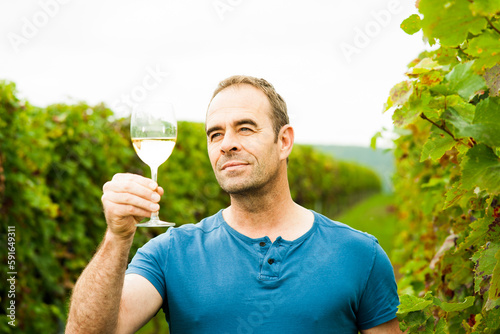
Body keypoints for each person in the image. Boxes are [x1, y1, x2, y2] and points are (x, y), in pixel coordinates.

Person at [66, 75, 401, 333]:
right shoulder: (170, 253)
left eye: (245, 128)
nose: (227, 144)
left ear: (283, 141)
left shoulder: (360, 255)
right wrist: (117, 236)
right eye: (215, 134)